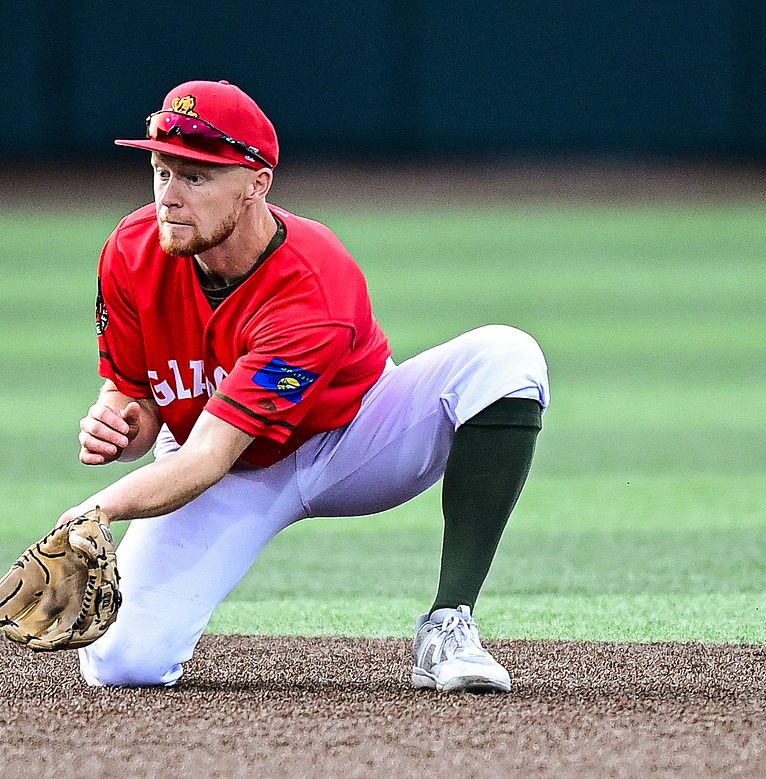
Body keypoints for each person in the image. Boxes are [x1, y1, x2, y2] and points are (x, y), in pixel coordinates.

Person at [57, 79, 549, 692]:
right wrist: (120, 420)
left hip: (354, 442)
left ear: (257, 182)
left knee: (506, 357)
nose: (171, 197)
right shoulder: (132, 249)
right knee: (122, 663)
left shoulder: (312, 285)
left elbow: (210, 455)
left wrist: (94, 510)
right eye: (163, 170)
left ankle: (450, 623)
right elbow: (137, 395)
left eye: (197, 177)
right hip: (221, 462)